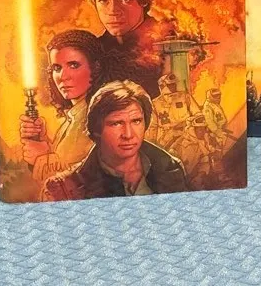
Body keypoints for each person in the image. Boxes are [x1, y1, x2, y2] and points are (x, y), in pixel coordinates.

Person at [43, 80, 189, 200]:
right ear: (97, 129)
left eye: (136, 121)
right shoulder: (65, 188)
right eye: (116, 123)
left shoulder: (171, 170)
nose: (128, 134)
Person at [19, 29, 106, 182]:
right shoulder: (74, 116)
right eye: (57, 68)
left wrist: (43, 157)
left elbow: (88, 175)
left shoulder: (99, 116)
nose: (63, 77)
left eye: (73, 65)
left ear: (96, 67)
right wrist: (43, 141)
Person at [85, 0, 169, 97]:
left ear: (144, 0)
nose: (113, 11)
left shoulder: (170, 46)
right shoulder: (92, 52)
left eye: (126, 0)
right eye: (103, 0)